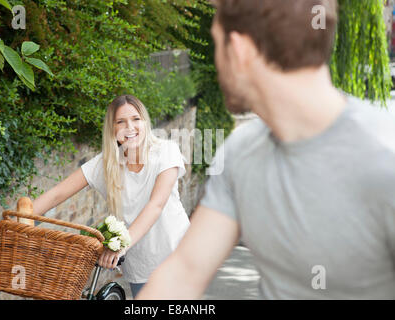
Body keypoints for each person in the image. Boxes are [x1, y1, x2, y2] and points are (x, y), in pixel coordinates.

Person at [137, 0, 395, 299]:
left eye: (218, 42)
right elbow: (185, 272)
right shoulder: (241, 152)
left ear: (239, 50)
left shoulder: (384, 159)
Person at [0, 94, 190, 298]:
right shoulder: (106, 163)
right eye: (120, 122)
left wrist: (121, 247)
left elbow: (156, 205)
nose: (130, 127)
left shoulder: (166, 151)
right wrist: (13, 224)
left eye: (135, 119)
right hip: (142, 265)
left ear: (145, 122)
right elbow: (57, 194)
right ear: (112, 129)